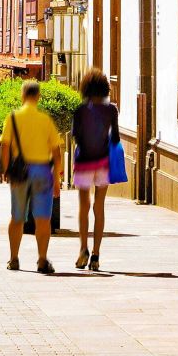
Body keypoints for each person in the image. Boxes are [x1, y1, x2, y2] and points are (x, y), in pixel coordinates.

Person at [1, 80, 62, 274]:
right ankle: (42, 260)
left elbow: (5, 146)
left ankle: (13, 259)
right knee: (43, 219)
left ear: (22, 95)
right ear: (38, 97)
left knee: (17, 217)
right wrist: (57, 179)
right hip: (43, 172)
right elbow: (56, 152)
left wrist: (6, 171)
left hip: (20, 172)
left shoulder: (13, 118)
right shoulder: (45, 120)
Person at [71, 70, 119, 271]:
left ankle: (83, 249)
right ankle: (96, 256)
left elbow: (76, 136)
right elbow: (115, 138)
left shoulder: (80, 110)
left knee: (84, 207)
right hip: (102, 162)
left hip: (84, 161)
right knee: (99, 208)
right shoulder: (111, 110)